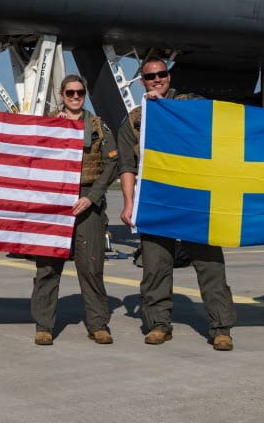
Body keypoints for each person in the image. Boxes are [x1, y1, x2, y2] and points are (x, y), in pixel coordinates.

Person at [117, 58, 237, 351]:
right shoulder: (134, 120)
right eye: (150, 76)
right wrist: (129, 203)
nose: (156, 79)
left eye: (161, 74)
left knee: (210, 265)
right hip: (156, 202)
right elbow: (126, 166)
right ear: (142, 81)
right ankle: (159, 324)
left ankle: (221, 327)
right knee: (155, 267)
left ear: (168, 77)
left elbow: (213, 119)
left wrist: (167, 108)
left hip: (194, 201)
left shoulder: (190, 103)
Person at [31, 76, 120, 346]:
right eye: (70, 92)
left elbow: (111, 165)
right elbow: (32, 158)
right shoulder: (48, 125)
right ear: (61, 95)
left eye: (80, 92)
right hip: (54, 200)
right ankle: (44, 326)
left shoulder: (98, 126)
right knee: (47, 265)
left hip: (87, 199)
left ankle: (98, 324)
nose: (75, 96)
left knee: (91, 265)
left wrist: (92, 198)